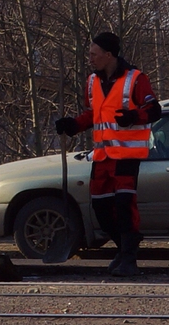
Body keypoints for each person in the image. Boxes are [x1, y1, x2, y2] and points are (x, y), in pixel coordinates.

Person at [55, 31, 161, 276]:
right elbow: (93, 114)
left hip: (127, 155)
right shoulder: (92, 82)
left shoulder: (135, 79)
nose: (90, 58)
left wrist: (134, 116)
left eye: (94, 54)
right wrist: (72, 125)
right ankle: (125, 247)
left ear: (109, 55)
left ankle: (128, 258)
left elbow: (154, 110)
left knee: (124, 205)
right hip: (102, 156)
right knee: (102, 209)